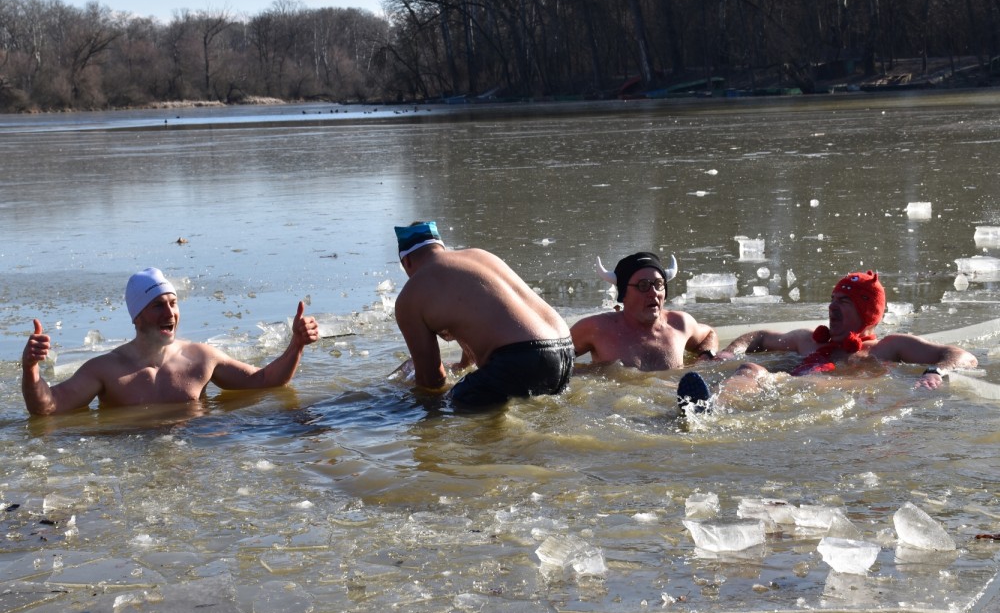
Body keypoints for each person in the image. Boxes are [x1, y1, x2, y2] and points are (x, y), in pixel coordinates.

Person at [21, 267, 319, 416]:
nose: (170, 313)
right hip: (129, 460)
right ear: (137, 316)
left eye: (173, 303)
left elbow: (265, 380)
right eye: (157, 305)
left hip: (193, 452)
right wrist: (31, 369)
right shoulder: (106, 370)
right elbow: (48, 407)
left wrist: (296, 345)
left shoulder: (201, 358)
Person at [677, 269, 979, 412]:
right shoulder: (808, 340)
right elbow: (759, 336)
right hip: (783, 387)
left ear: (866, 313)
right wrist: (732, 351)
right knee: (752, 369)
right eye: (833, 299)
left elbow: (962, 355)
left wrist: (935, 372)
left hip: (824, 395)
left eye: (844, 303)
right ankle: (710, 407)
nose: (832, 307)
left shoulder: (887, 346)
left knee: (807, 383)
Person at [392, 221, 573, 408]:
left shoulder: (412, 294)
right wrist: (463, 365)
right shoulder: (478, 256)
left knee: (450, 404)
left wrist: (402, 391)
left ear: (406, 261)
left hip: (522, 357)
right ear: (440, 247)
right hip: (565, 351)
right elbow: (484, 313)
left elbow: (431, 380)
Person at [570, 252, 718, 371]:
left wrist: (705, 357)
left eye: (659, 284)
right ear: (624, 295)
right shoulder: (597, 328)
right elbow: (552, 356)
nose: (653, 292)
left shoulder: (680, 324)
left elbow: (709, 335)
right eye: (643, 285)